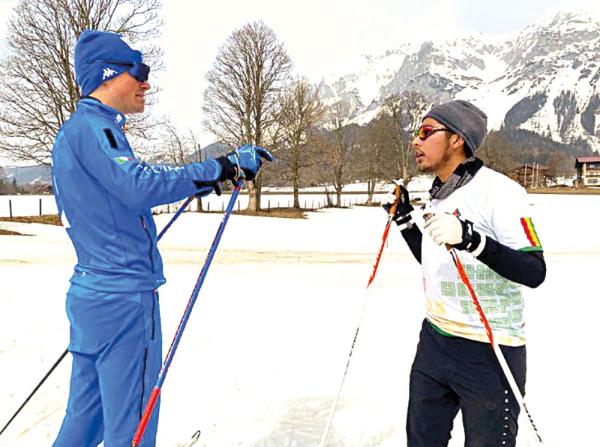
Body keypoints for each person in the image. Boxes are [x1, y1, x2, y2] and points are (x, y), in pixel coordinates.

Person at [51, 30, 272, 447]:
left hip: (94, 294)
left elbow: (117, 198)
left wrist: (208, 180)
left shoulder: (74, 133)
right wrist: (219, 166)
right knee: (132, 425)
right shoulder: (96, 129)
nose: (146, 82)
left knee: (86, 420)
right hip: (123, 300)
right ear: (108, 73)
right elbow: (137, 185)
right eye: (138, 70)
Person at [382, 100, 546, 446]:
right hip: (436, 342)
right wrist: (405, 221)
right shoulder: (440, 195)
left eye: (426, 132)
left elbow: (534, 271)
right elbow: (437, 260)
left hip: (489, 351)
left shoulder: (500, 192)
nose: (416, 141)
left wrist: (473, 240)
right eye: (416, 133)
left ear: (457, 139)